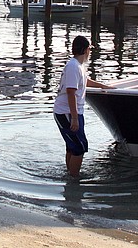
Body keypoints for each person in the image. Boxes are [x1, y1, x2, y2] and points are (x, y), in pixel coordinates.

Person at [52, 35, 111, 178]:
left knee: (73, 146)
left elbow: (85, 81)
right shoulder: (73, 66)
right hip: (66, 112)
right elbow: (70, 92)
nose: (90, 51)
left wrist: (103, 86)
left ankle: (70, 173)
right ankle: (74, 179)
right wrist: (74, 118)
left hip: (74, 112)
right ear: (85, 49)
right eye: (90, 48)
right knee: (79, 147)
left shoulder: (79, 66)